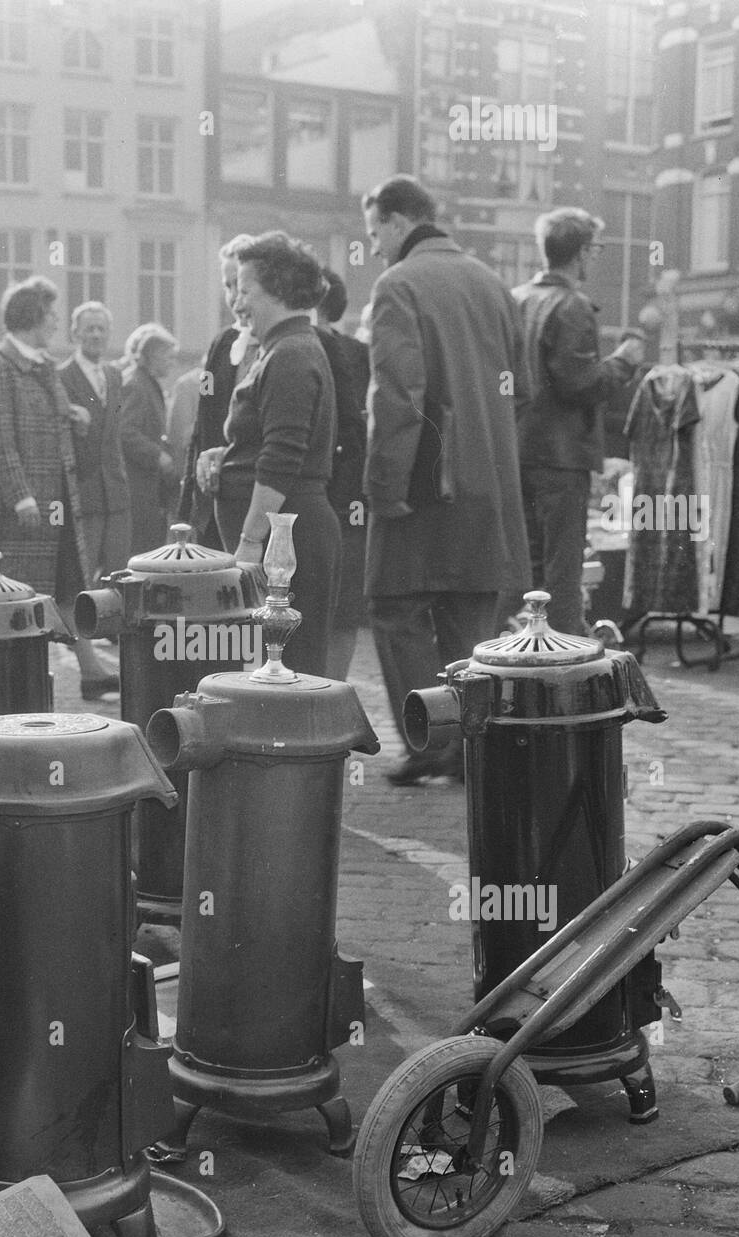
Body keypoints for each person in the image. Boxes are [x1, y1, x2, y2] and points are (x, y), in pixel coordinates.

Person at [361, 174, 531, 784]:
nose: (375, 245)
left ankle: (430, 741)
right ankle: (469, 745)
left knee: (395, 606)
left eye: (375, 231)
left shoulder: (397, 284)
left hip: (422, 485)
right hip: (488, 486)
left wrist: (384, 488)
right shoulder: (494, 284)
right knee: (470, 614)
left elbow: (398, 398)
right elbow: (522, 392)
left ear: (398, 221)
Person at [198, 231, 341, 678]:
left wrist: (249, 543)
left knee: (287, 672)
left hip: (288, 546)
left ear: (277, 291)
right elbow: (273, 442)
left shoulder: (291, 354)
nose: (237, 304)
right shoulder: (284, 348)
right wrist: (231, 454)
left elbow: (282, 458)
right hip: (289, 539)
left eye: (245, 291)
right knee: (276, 672)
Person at [0, 275, 118, 701]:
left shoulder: (40, 364)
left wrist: (75, 415)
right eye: (52, 314)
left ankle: (90, 673)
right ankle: (18, 687)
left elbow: (46, 417)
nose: (57, 322)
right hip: (24, 512)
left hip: (57, 506)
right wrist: (21, 497)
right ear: (33, 317)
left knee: (70, 587)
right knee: (19, 599)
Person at [508, 207, 646, 635]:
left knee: (527, 571)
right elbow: (580, 384)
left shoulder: (515, 300)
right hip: (562, 459)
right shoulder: (572, 306)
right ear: (582, 252)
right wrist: (625, 362)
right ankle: (565, 669)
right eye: (596, 249)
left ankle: (523, 663)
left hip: (518, 452)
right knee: (562, 574)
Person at [176, 233, 258, 548]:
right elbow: (202, 427)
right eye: (227, 286)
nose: (235, 297)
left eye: (241, 284)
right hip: (214, 505)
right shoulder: (222, 344)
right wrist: (186, 510)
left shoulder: (278, 345)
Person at [313, 267, 371, 681]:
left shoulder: (286, 346)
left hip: (316, 494)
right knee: (343, 609)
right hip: (350, 497)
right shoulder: (358, 352)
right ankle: (333, 692)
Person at [58, 301, 132, 578]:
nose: (96, 335)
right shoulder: (61, 378)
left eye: (102, 329)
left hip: (116, 493)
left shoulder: (114, 375)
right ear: (75, 334)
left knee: (118, 576)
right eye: (89, 329)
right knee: (83, 575)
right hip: (84, 494)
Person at [120, 323, 180, 555]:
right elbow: (125, 431)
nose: (171, 362)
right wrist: (159, 456)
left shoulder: (144, 382)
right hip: (138, 489)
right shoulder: (137, 384)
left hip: (146, 488)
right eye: (167, 356)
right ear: (151, 356)